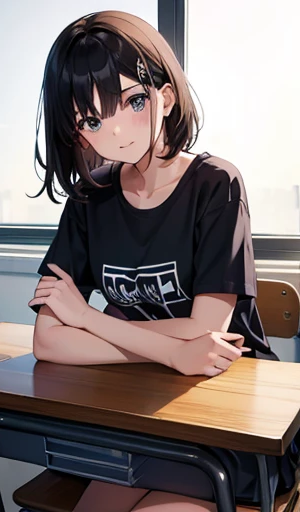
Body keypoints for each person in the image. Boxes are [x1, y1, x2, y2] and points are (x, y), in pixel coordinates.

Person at [28, 10, 297, 511]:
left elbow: (207, 335)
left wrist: (89, 320)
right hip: (135, 413)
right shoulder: (90, 199)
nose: (114, 131)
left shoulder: (217, 185)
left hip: (225, 417)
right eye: (90, 119)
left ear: (165, 97)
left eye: (130, 101)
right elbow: (47, 341)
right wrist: (171, 351)